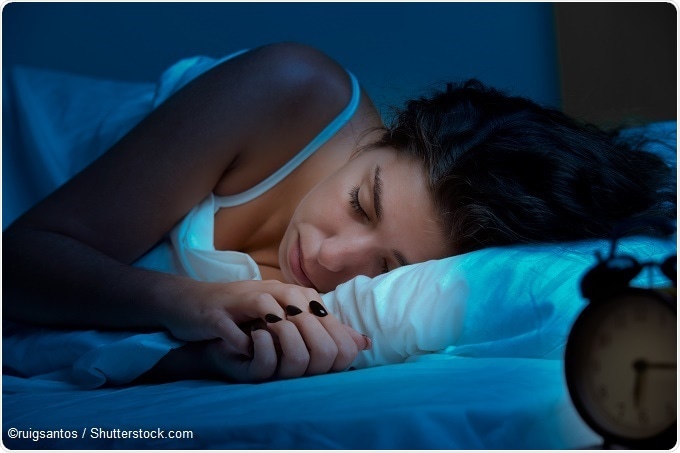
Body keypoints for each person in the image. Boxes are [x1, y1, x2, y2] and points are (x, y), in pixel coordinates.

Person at [4, 42, 674, 383]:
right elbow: (18, 264)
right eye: (361, 201)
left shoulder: (359, 317)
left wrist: (205, 360)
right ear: (381, 138)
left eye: (384, 268)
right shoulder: (290, 90)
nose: (329, 258)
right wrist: (186, 300)